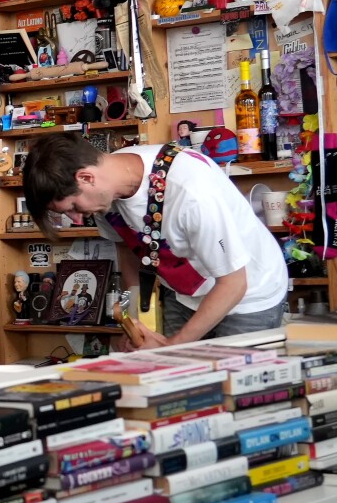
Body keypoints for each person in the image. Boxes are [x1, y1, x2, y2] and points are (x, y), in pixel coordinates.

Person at [22, 133, 287, 348]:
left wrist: (173, 346)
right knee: (175, 384)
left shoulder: (191, 191)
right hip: (186, 291)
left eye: (73, 208)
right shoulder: (103, 195)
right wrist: (135, 320)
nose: (77, 220)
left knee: (232, 394)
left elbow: (233, 284)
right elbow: (127, 251)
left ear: (86, 178)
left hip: (248, 293)